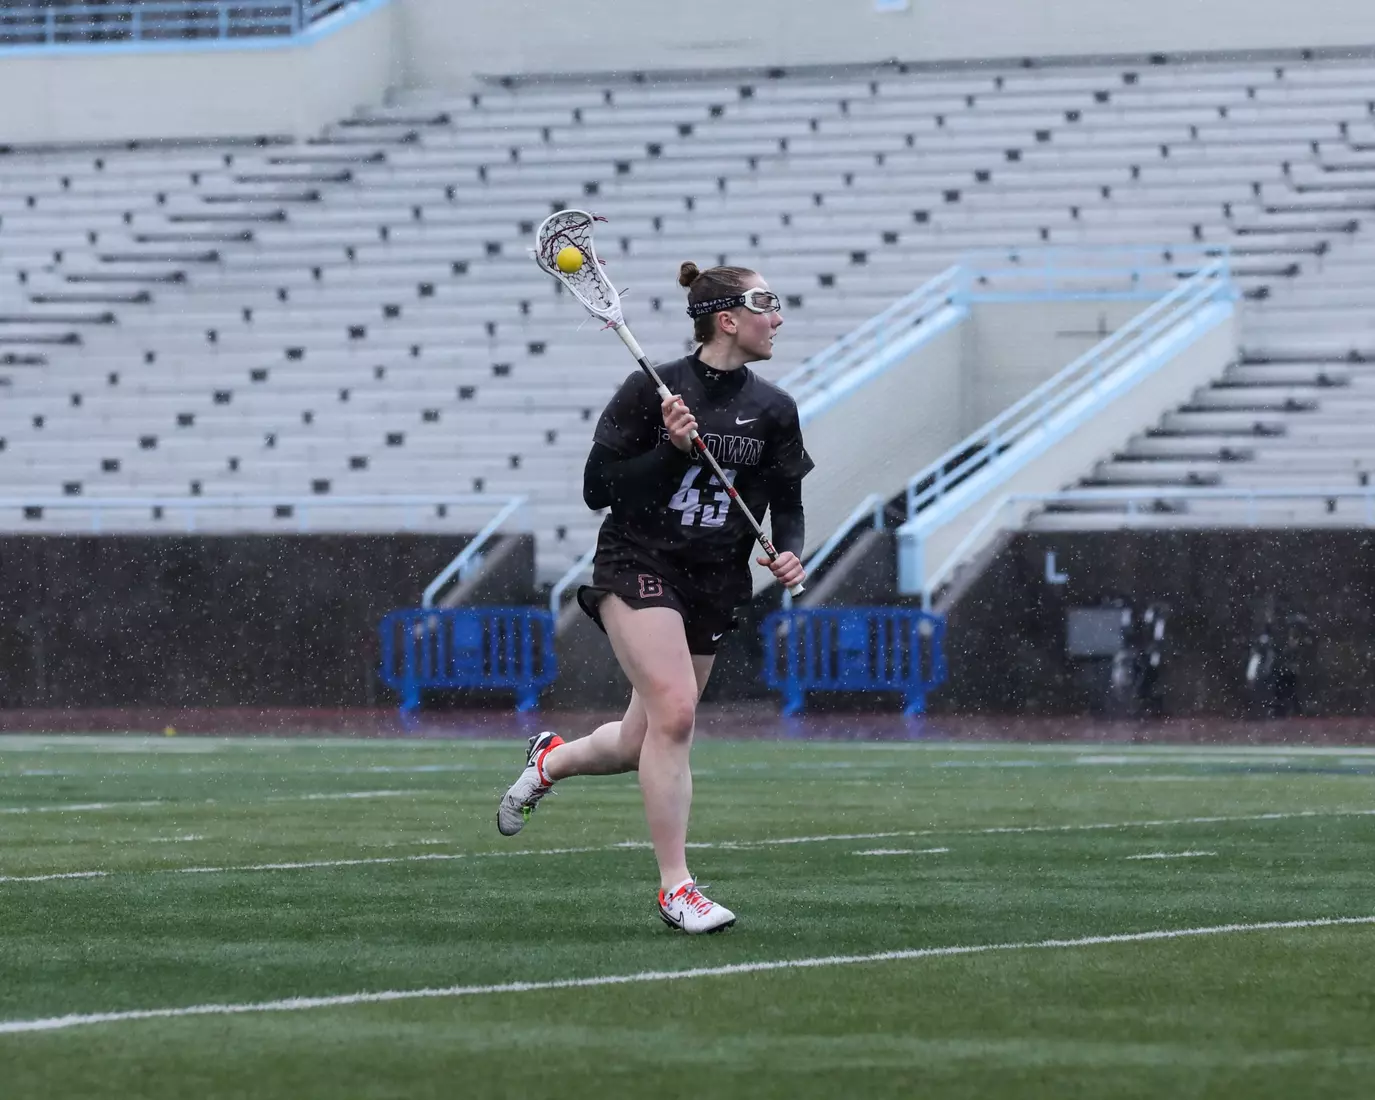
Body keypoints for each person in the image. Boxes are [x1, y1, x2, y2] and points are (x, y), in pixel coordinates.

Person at [497, 261, 814, 933]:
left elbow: (787, 505)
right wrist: (672, 450)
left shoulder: (775, 410)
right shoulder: (652, 390)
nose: (778, 318)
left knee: (637, 741)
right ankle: (677, 888)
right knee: (676, 713)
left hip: (715, 578)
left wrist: (790, 551)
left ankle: (550, 761)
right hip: (638, 563)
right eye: (767, 304)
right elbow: (598, 490)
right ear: (727, 319)